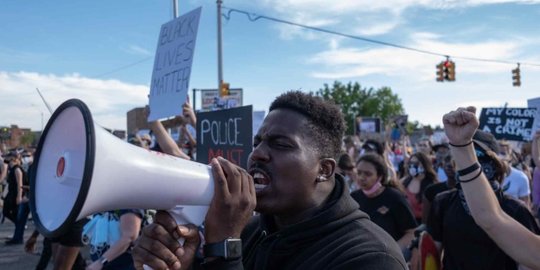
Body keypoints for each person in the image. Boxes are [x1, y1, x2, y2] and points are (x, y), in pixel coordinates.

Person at [132, 91, 407, 270]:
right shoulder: (253, 231)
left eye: (281, 144)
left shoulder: (370, 258)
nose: (258, 154)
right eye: (258, 142)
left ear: (323, 169)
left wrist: (225, 248)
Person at [428, 110, 540, 270]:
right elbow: (490, 218)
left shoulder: (515, 209)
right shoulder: (443, 202)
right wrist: (461, 146)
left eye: (481, 157)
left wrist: (463, 147)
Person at [350, 153, 417, 254]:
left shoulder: (394, 198)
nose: (361, 177)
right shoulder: (353, 197)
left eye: (368, 174)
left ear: (379, 176)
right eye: (359, 173)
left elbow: (411, 232)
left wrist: (392, 252)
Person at [400, 152, 438, 223]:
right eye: (411, 163)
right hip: (406, 223)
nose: (412, 165)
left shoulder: (432, 185)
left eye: (416, 163)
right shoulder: (404, 181)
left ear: (424, 165)